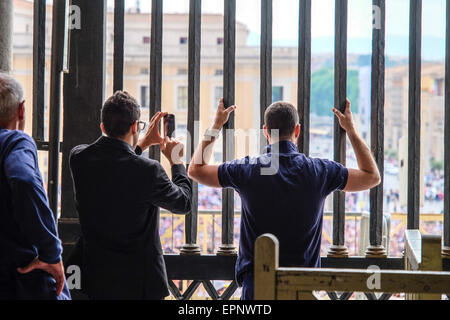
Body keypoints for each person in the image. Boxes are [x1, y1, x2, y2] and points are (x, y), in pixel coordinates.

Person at [188, 98, 381, 300]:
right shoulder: (320, 171)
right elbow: (371, 176)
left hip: (258, 287)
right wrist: (350, 130)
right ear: (297, 131)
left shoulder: (248, 169)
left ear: (265, 131)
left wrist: (217, 125)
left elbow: (196, 169)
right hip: (304, 286)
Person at [69, 91, 192, 300]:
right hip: (140, 285)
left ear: (102, 126)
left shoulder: (79, 158)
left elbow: (115, 165)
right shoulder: (149, 171)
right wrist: (176, 162)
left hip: (96, 279)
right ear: (135, 126)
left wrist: (140, 144)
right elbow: (184, 202)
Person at [0, 73, 71, 300]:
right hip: (22, 277)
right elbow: (23, 178)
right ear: (22, 110)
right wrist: (51, 253)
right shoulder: (15, 141)